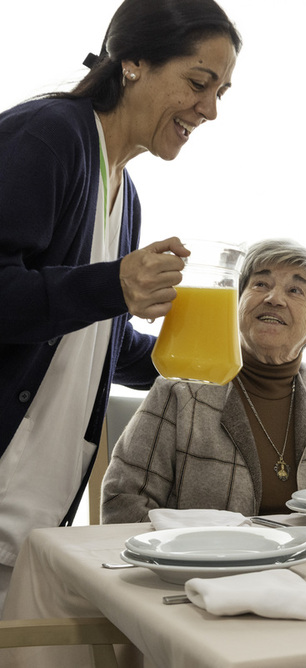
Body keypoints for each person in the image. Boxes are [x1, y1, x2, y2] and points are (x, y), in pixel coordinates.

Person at [0, 0, 240, 606]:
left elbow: (84, 341)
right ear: (132, 61)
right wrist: (114, 284)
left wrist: (190, 352)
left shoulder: (124, 194)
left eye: (221, 92)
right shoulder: (51, 135)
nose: (209, 110)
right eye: (198, 83)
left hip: (33, 513)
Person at [101, 239, 306, 522]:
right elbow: (123, 505)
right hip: (209, 564)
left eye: (295, 290)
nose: (274, 298)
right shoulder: (181, 390)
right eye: (260, 285)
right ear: (235, 304)